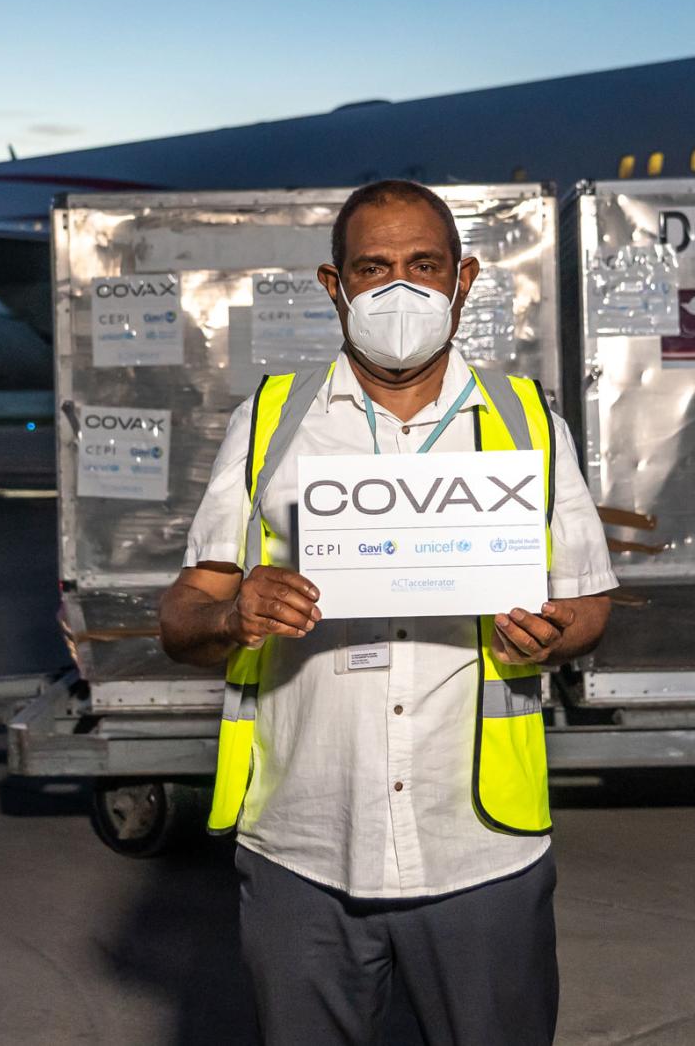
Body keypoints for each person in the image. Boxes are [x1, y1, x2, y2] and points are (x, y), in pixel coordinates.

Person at [159, 179, 615, 1044]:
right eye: (373, 268)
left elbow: (590, 602)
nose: (399, 289)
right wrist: (231, 615)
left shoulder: (528, 422)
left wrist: (555, 634)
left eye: (423, 265)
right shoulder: (270, 421)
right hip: (303, 844)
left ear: (463, 279)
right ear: (335, 286)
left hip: (479, 847)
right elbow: (184, 615)